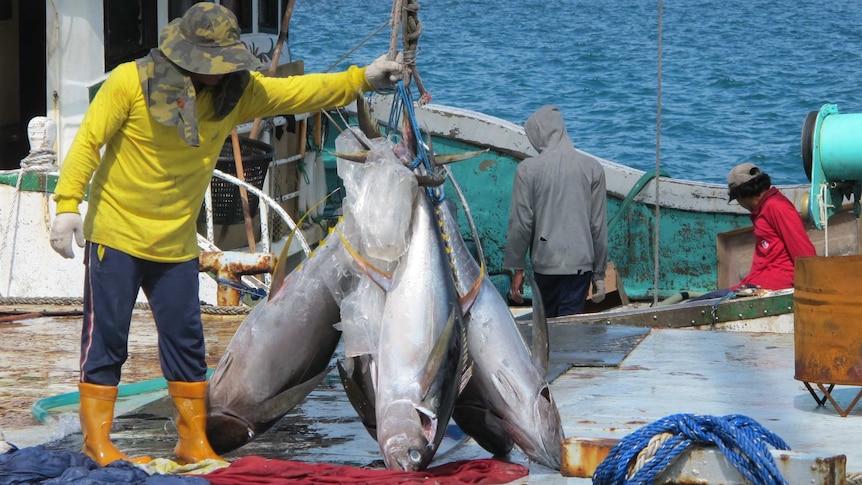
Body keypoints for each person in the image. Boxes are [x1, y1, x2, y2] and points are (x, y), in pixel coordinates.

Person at [47, 3, 403, 467]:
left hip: (175, 244)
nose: (220, 73)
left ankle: (193, 439)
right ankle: (97, 442)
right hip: (116, 237)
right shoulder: (128, 82)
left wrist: (361, 79)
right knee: (106, 341)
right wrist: (67, 205)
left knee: (187, 342)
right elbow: (88, 142)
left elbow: (298, 92)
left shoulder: (237, 93)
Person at [503, 105, 608, 318]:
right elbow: (598, 226)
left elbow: (521, 224)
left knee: (546, 325)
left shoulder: (527, 169)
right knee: (571, 327)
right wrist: (599, 275)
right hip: (580, 266)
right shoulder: (592, 167)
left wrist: (518, 269)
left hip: (545, 264)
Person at [690, 162, 816, 301]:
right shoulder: (766, 208)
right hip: (757, 282)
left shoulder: (777, 207)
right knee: (697, 302)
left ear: (742, 195)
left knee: (697, 304)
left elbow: (804, 252)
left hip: (773, 285)